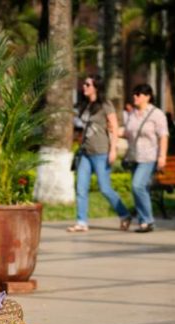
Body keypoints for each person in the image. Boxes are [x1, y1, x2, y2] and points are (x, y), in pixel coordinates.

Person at [67, 75, 131, 233]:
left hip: (101, 152)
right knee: (81, 188)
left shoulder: (105, 105)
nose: (84, 86)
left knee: (105, 188)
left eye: (88, 84)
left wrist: (113, 149)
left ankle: (124, 215)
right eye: (84, 84)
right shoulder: (85, 105)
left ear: (96, 87)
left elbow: (115, 127)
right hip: (85, 153)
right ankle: (81, 222)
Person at [121, 83, 169, 233]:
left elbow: (163, 136)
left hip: (149, 157)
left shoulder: (157, 114)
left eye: (138, 94)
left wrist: (162, 156)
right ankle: (143, 221)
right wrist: (112, 130)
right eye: (134, 94)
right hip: (135, 157)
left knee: (137, 186)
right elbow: (128, 133)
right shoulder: (132, 114)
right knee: (140, 189)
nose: (135, 97)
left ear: (148, 97)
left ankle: (148, 220)